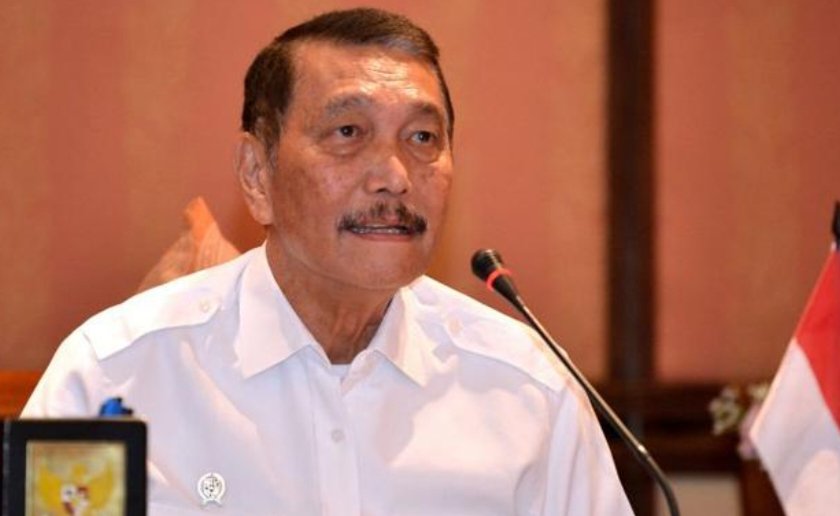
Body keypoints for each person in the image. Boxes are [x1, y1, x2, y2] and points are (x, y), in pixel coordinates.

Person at [24, 8, 633, 515]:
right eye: (348, 133)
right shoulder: (116, 373)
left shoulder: (528, 388)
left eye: (422, 138)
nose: (394, 176)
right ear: (256, 174)